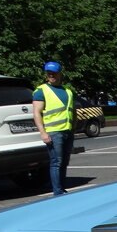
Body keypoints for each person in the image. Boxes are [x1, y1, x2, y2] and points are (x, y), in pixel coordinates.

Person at [32, 60, 75, 196]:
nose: (51, 76)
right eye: (49, 74)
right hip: (54, 132)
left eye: (54, 73)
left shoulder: (68, 91)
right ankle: (57, 191)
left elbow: (72, 111)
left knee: (64, 162)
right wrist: (43, 133)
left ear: (60, 73)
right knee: (57, 162)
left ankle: (62, 188)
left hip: (67, 131)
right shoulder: (41, 91)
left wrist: (73, 127)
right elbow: (36, 113)